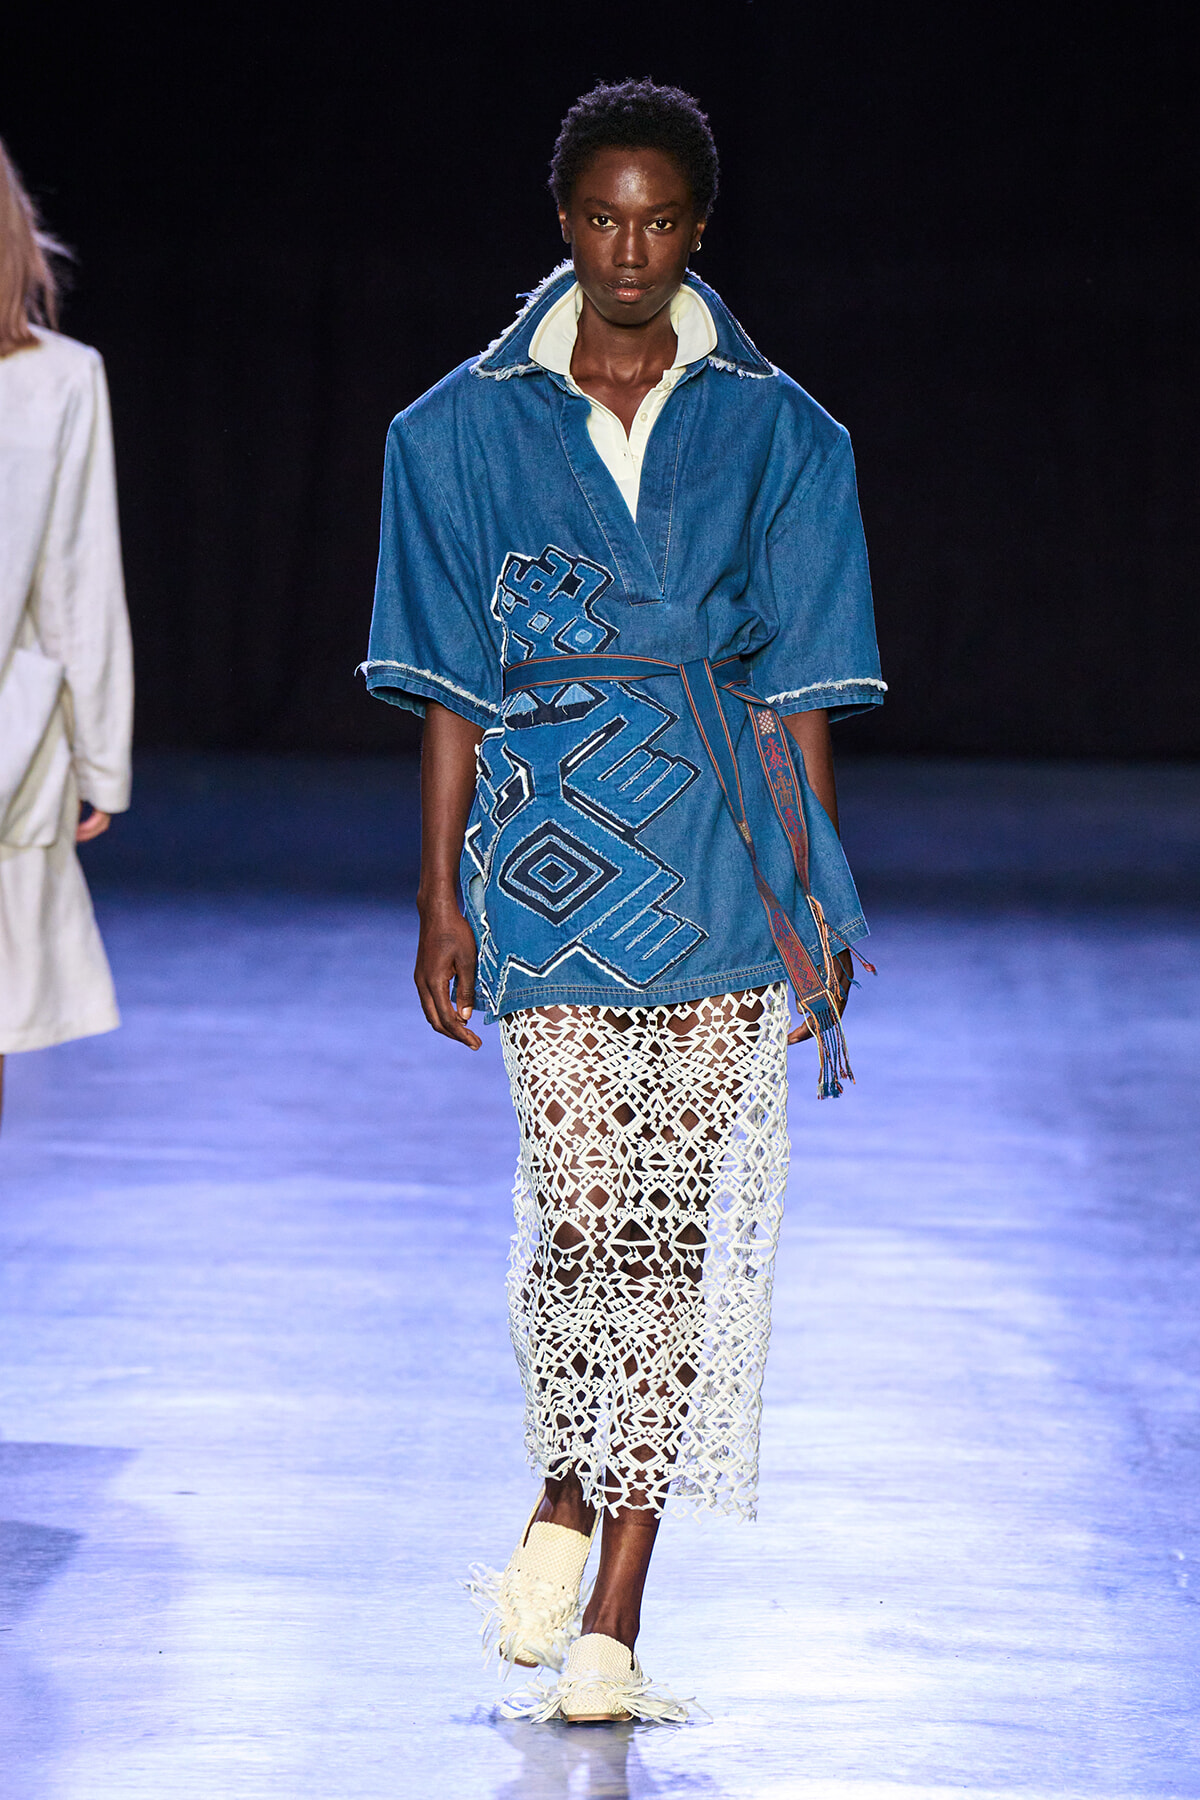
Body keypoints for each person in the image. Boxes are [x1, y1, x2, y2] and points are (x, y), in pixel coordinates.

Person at [362, 80, 884, 1722]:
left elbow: (799, 691)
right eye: (604, 218)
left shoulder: (785, 434)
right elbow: (449, 681)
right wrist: (438, 894)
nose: (632, 247)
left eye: (661, 221)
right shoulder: (454, 432)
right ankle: (566, 1496)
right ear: (564, 223)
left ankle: (617, 1620)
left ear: (700, 229)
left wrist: (818, 901)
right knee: (584, 1220)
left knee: (670, 1240)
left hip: (727, 868)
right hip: (544, 870)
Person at [0, 140, 133, 1123]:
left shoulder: (61, 381)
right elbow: (75, 584)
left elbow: (76, 580)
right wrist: (102, 763)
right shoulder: (60, 380)